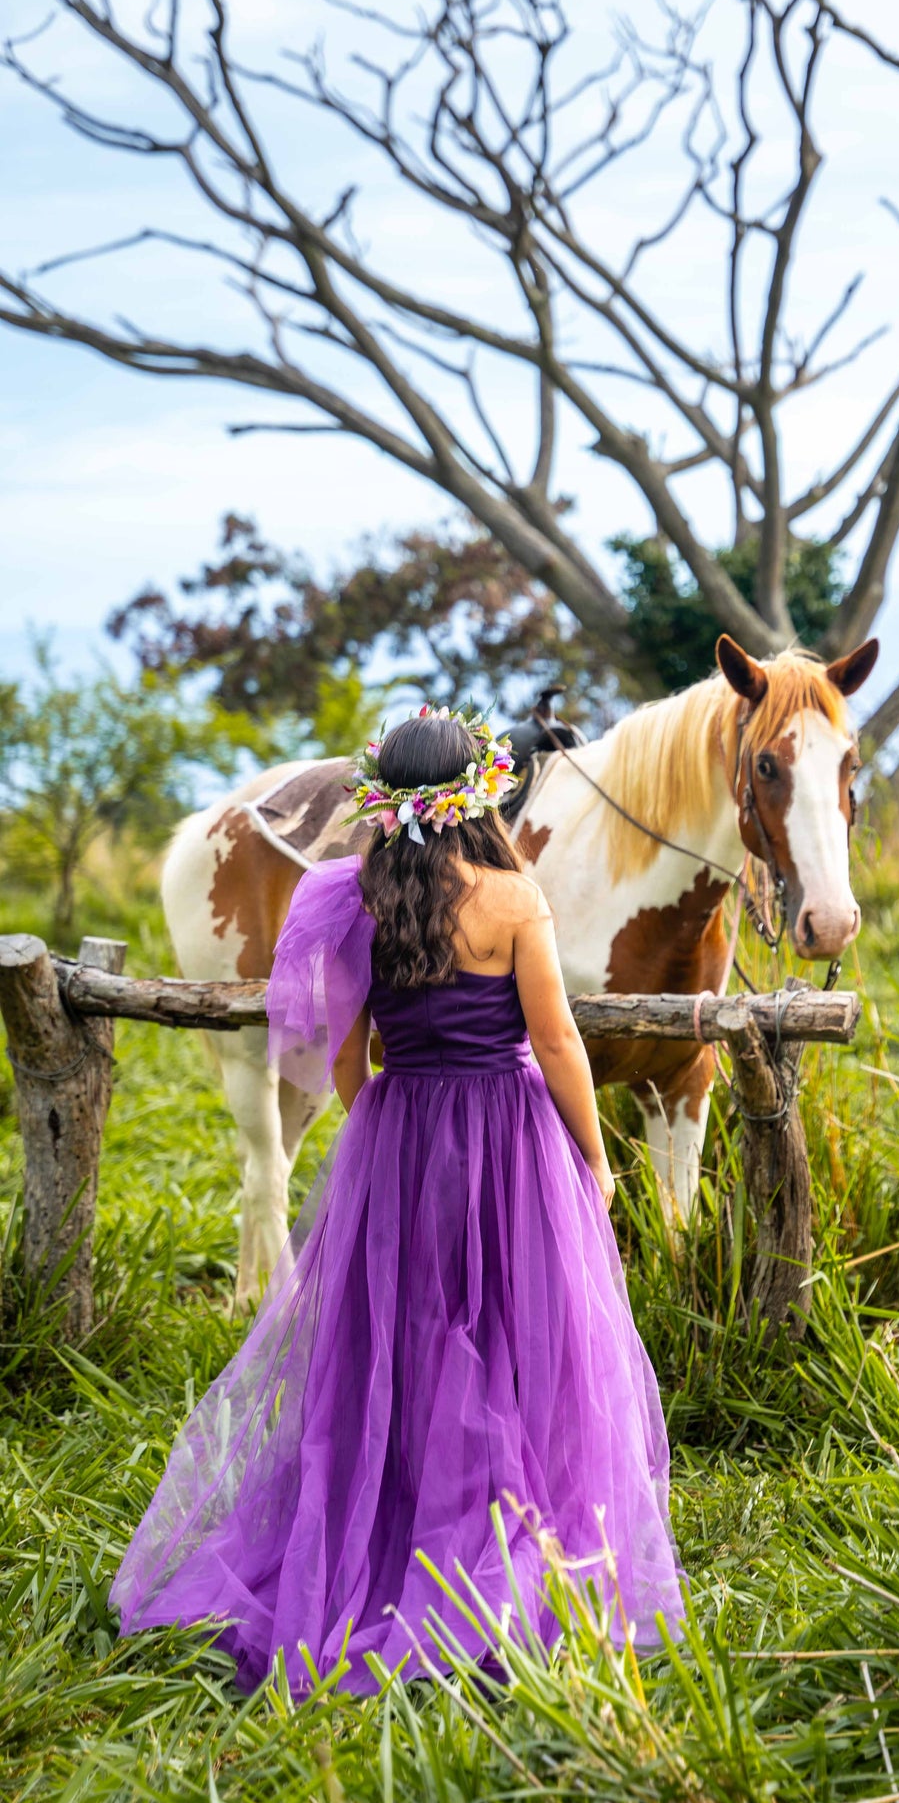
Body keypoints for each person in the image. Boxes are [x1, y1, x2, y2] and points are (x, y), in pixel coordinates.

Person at [111, 706, 683, 1695]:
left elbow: (344, 1051)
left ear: (380, 797)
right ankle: (506, 1537)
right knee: (515, 1331)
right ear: (480, 791)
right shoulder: (511, 897)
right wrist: (593, 1158)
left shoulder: (355, 895)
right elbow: (554, 1044)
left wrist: (378, 1120)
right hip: (509, 1137)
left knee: (401, 1338)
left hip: (402, 1129)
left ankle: (398, 1515)